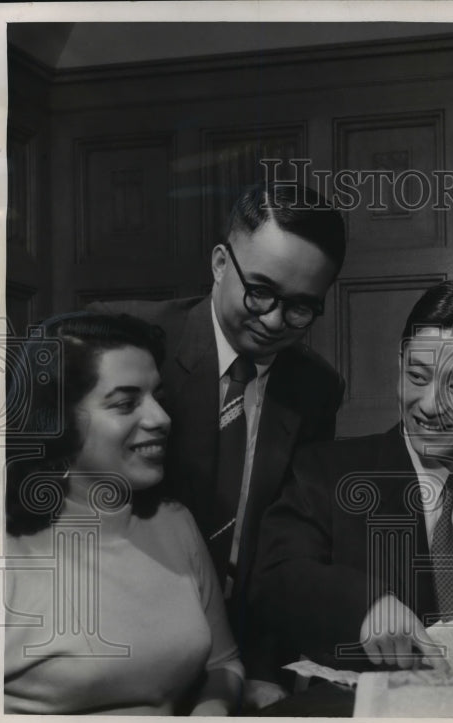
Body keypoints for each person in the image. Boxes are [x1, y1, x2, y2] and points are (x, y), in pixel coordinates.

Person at [88, 180, 346, 686]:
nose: (274, 320)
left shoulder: (317, 387)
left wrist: (263, 670)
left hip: (243, 654)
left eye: (300, 307)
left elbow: (286, 538)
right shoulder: (129, 339)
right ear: (220, 263)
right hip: (114, 642)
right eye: (261, 291)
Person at [251, 281, 453, 673]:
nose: (431, 406)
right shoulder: (327, 473)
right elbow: (276, 579)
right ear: (400, 366)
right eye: (418, 376)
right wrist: (366, 606)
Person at [3, 312, 243, 715]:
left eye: (157, 398)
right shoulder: (1, 550)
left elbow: (223, 664)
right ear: (55, 421)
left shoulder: (174, 522)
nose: (161, 419)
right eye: (126, 403)